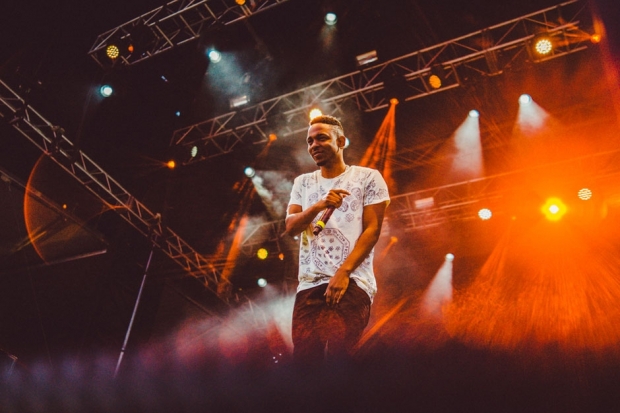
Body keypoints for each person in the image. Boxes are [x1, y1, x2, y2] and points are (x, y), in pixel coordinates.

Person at [284, 114, 390, 366]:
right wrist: (319, 205)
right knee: (304, 365)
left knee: (340, 359)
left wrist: (343, 273)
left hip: (352, 281)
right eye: (309, 141)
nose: (314, 145)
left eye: (321, 138)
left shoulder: (367, 178)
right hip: (309, 284)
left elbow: (372, 230)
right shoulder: (303, 183)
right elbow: (290, 226)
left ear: (341, 141)